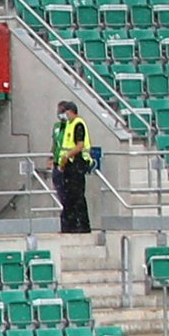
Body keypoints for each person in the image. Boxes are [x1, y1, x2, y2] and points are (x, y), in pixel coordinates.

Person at [54, 100, 95, 235]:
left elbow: (80, 145)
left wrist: (66, 156)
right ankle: (69, 226)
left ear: (70, 112)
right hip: (69, 165)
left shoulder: (78, 124)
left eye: (65, 112)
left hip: (78, 163)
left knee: (77, 197)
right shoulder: (69, 125)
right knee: (68, 198)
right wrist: (62, 163)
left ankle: (82, 226)